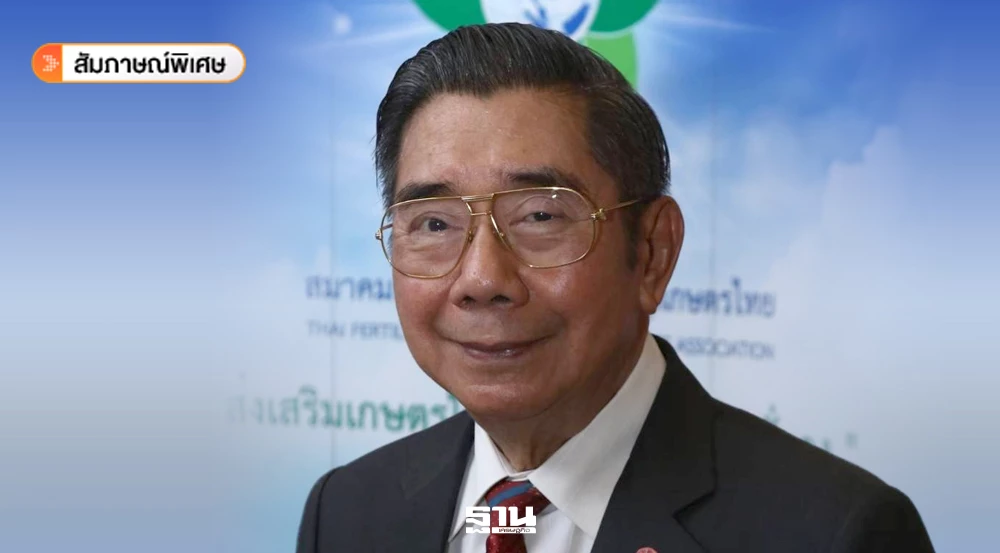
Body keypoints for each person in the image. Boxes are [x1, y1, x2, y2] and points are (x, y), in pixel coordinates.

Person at [296, 22, 934, 553]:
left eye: (540, 216)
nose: (483, 280)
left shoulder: (837, 533)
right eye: (434, 223)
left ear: (653, 253)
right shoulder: (347, 513)